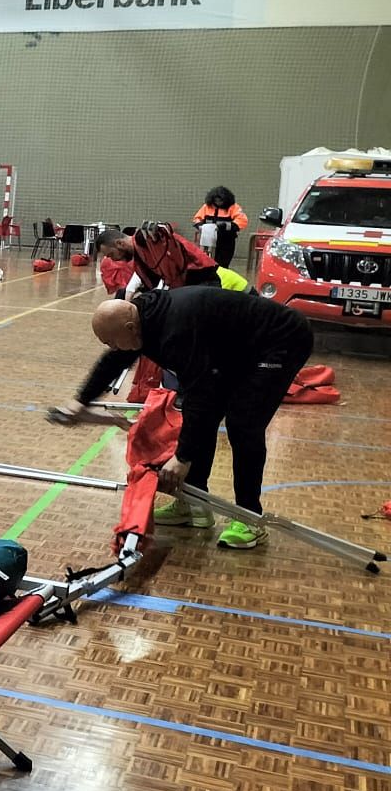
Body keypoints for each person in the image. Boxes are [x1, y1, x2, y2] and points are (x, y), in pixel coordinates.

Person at [52, 288, 313, 549]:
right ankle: (194, 506)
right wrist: (81, 401)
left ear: (130, 327)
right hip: (237, 347)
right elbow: (114, 361)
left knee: (243, 424)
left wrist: (183, 457)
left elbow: (201, 396)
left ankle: (249, 518)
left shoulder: (175, 333)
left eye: (111, 340)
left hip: (280, 340)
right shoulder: (140, 322)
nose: (111, 347)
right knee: (201, 416)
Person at [102, 222, 220, 295]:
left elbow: (161, 235)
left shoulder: (144, 241)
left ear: (120, 244)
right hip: (190, 284)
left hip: (202, 280)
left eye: (111, 254)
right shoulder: (139, 257)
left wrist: (156, 231)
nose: (114, 260)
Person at [192, 187, 248, 270]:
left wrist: (226, 226)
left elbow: (242, 221)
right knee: (206, 263)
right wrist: (201, 226)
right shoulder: (206, 207)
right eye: (216, 200)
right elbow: (197, 219)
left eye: (220, 200)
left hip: (226, 240)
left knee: (223, 264)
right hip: (208, 240)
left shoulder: (233, 207)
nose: (218, 203)